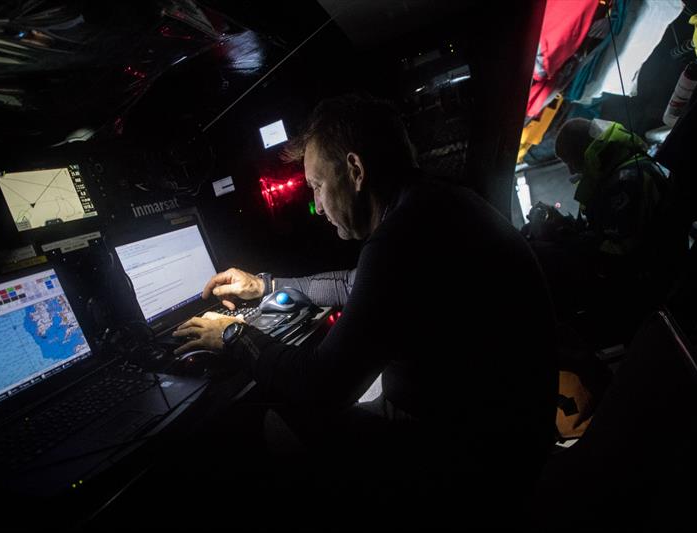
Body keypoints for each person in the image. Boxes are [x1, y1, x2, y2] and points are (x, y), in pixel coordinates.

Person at [173, 93, 557, 528]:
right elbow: (352, 284)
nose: (316, 206)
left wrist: (233, 334)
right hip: (503, 441)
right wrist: (264, 285)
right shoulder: (435, 205)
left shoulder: (402, 238)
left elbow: (323, 385)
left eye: (317, 185)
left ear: (355, 170)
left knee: (271, 423)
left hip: (470, 470)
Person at [554, 117, 668, 259]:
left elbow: (620, 251)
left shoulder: (627, 180)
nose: (571, 171)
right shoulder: (615, 172)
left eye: (570, 162)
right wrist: (564, 224)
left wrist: (570, 242)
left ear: (585, 152)